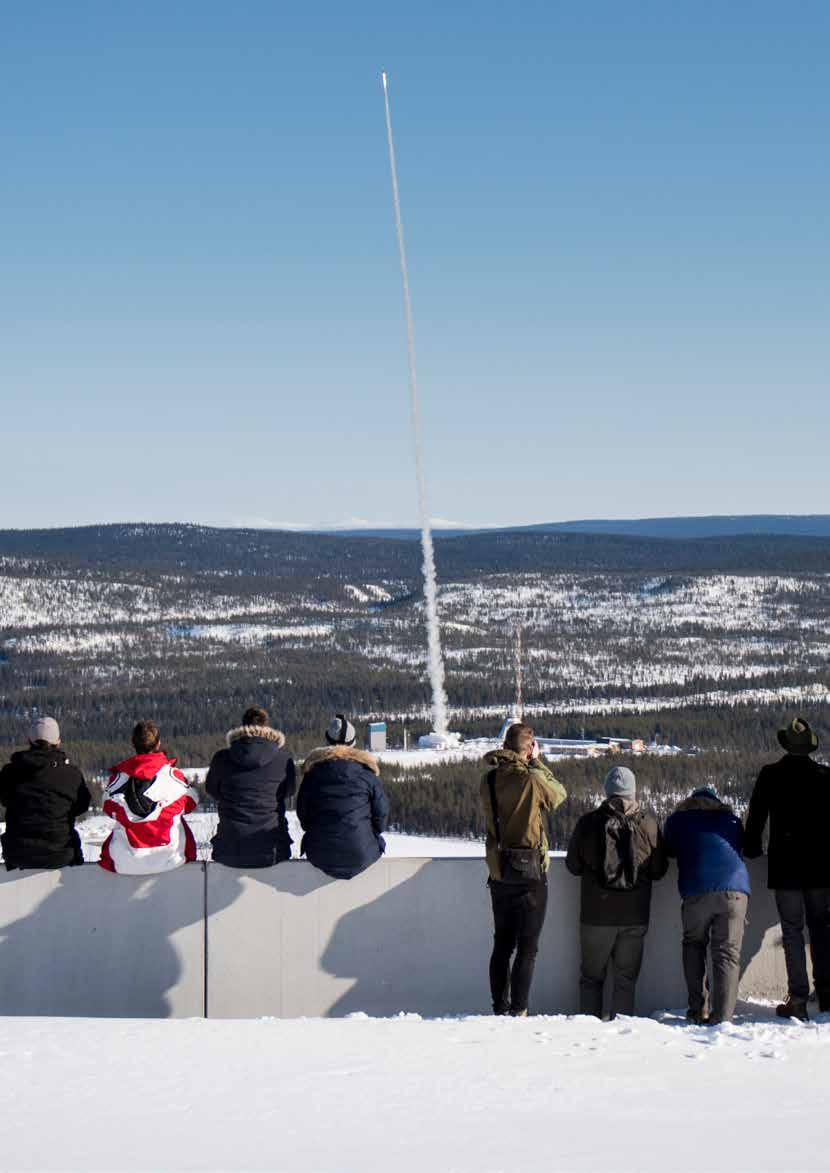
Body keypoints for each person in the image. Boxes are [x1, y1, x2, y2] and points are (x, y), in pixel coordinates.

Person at [744, 716, 830, 1020]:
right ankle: (827, 992)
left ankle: (798, 998)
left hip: (786, 868)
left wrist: (751, 848)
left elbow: (756, 818)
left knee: (792, 931)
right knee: (821, 929)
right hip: (821, 867)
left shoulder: (771, 775)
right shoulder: (825, 776)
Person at [566, 765, 667, 1019]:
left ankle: (587, 1035)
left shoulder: (588, 823)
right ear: (633, 792)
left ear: (607, 791)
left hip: (596, 915)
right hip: (634, 916)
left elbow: (573, 866)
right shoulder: (649, 825)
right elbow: (658, 871)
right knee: (625, 980)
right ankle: (621, 1036)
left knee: (591, 979)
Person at [480, 722, 566, 1016]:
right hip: (530, 872)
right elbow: (558, 795)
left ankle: (499, 1007)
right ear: (529, 748)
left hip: (499, 868)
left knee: (502, 944)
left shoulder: (489, 780)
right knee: (527, 948)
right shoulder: (532, 779)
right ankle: (519, 1009)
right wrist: (538, 763)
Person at [664, 786, 750, 1024]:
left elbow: (668, 849)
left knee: (694, 946)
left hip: (696, 889)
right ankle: (722, 1017)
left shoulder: (677, 821)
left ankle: (698, 1009)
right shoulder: (731, 820)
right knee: (727, 954)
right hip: (735, 891)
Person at [99, 720, 199, 874]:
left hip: (125, 861)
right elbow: (191, 803)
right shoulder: (173, 777)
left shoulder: (119, 780)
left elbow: (107, 806)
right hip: (172, 858)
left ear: (133, 744)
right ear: (158, 743)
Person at [297, 714, 388, 880]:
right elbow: (381, 816)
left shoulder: (312, 774)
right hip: (362, 853)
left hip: (320, 853)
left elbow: (303, 815)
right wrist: (366, 835)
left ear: (327, 742)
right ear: (353, 743)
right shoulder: (367, 775)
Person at [206, 706, 295, 867]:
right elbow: (288, 791)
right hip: (273, 848)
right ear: (266, 726)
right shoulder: (283, 759)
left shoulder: (222, 758)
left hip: (229, 848)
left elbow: (212, 790)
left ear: (243, 727)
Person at [0, 716, 91, 870]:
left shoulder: (10, 772)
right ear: (58, 741)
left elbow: (4, 799)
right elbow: (82, 805)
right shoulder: (71, 774)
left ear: (29, 740)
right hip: (61, 853)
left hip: (18, 854)